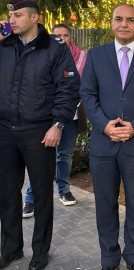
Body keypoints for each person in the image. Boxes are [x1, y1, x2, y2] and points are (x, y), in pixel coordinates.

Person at [80, 4, 134, 270]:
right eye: (119, 19)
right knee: (105, 205)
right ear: (111, 23)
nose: (124, 24)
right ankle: (109, 260)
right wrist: (104, 125)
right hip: (104, 144)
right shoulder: (96, 55)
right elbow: (87, 94)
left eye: (130, 19)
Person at [0, 0, 80, 270]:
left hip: (39, 131)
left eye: (18, 15)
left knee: (43, 194)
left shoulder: (54, 48)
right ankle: (11, 248)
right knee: (7, 193)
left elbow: (69, 88)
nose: (12, 20)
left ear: (35, 18)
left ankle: (40, 251)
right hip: (5, 130)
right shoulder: (4, 44)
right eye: (11, 15)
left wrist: (58, 124)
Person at [23, 24, 87, 216]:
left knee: (64, 155)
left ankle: (64, 191)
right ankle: (31, 198)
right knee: (40, 158)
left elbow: (85, 86)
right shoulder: (42, 55)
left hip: (71, 116)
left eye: (65, 35)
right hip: (45, 117)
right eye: (57, 35)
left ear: (70, 37)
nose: (62, 38)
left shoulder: (82, 57)